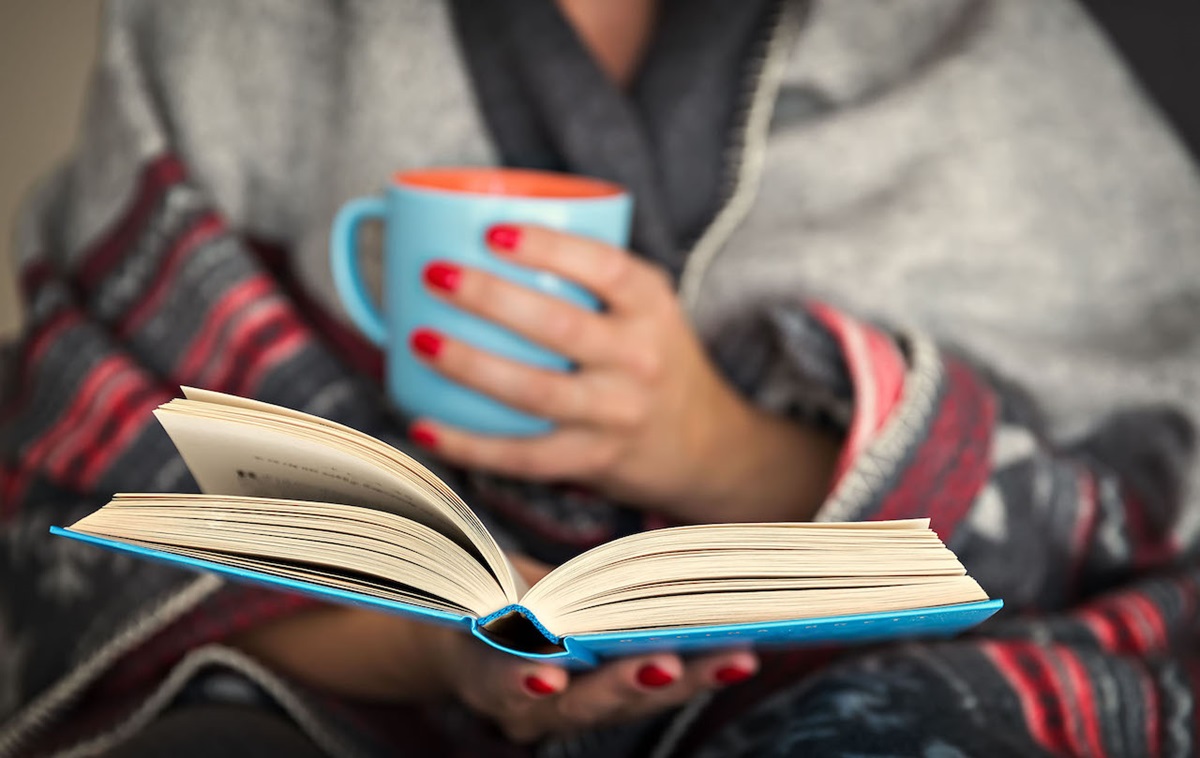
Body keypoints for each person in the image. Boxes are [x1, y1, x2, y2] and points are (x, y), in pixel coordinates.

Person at [2, 0, 1199, 755]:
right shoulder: (222, 32)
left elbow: (1157, 487)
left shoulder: (1001, 42)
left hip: (895, 671)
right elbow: (85, 486)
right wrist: (448, 641)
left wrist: (713, 442)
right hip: (357, 686)